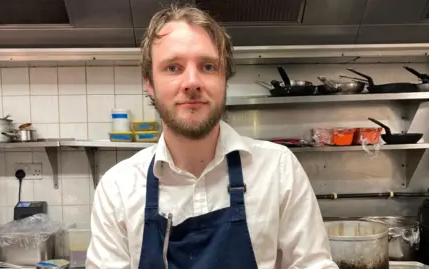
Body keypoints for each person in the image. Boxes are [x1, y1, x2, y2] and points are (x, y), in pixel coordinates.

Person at [86, 4, 338, 269]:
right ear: (149, 82)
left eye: (207, 66)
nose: (192, 82)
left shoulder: (278, 170)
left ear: (224, 78)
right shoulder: (118, 189)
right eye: (173, 67)